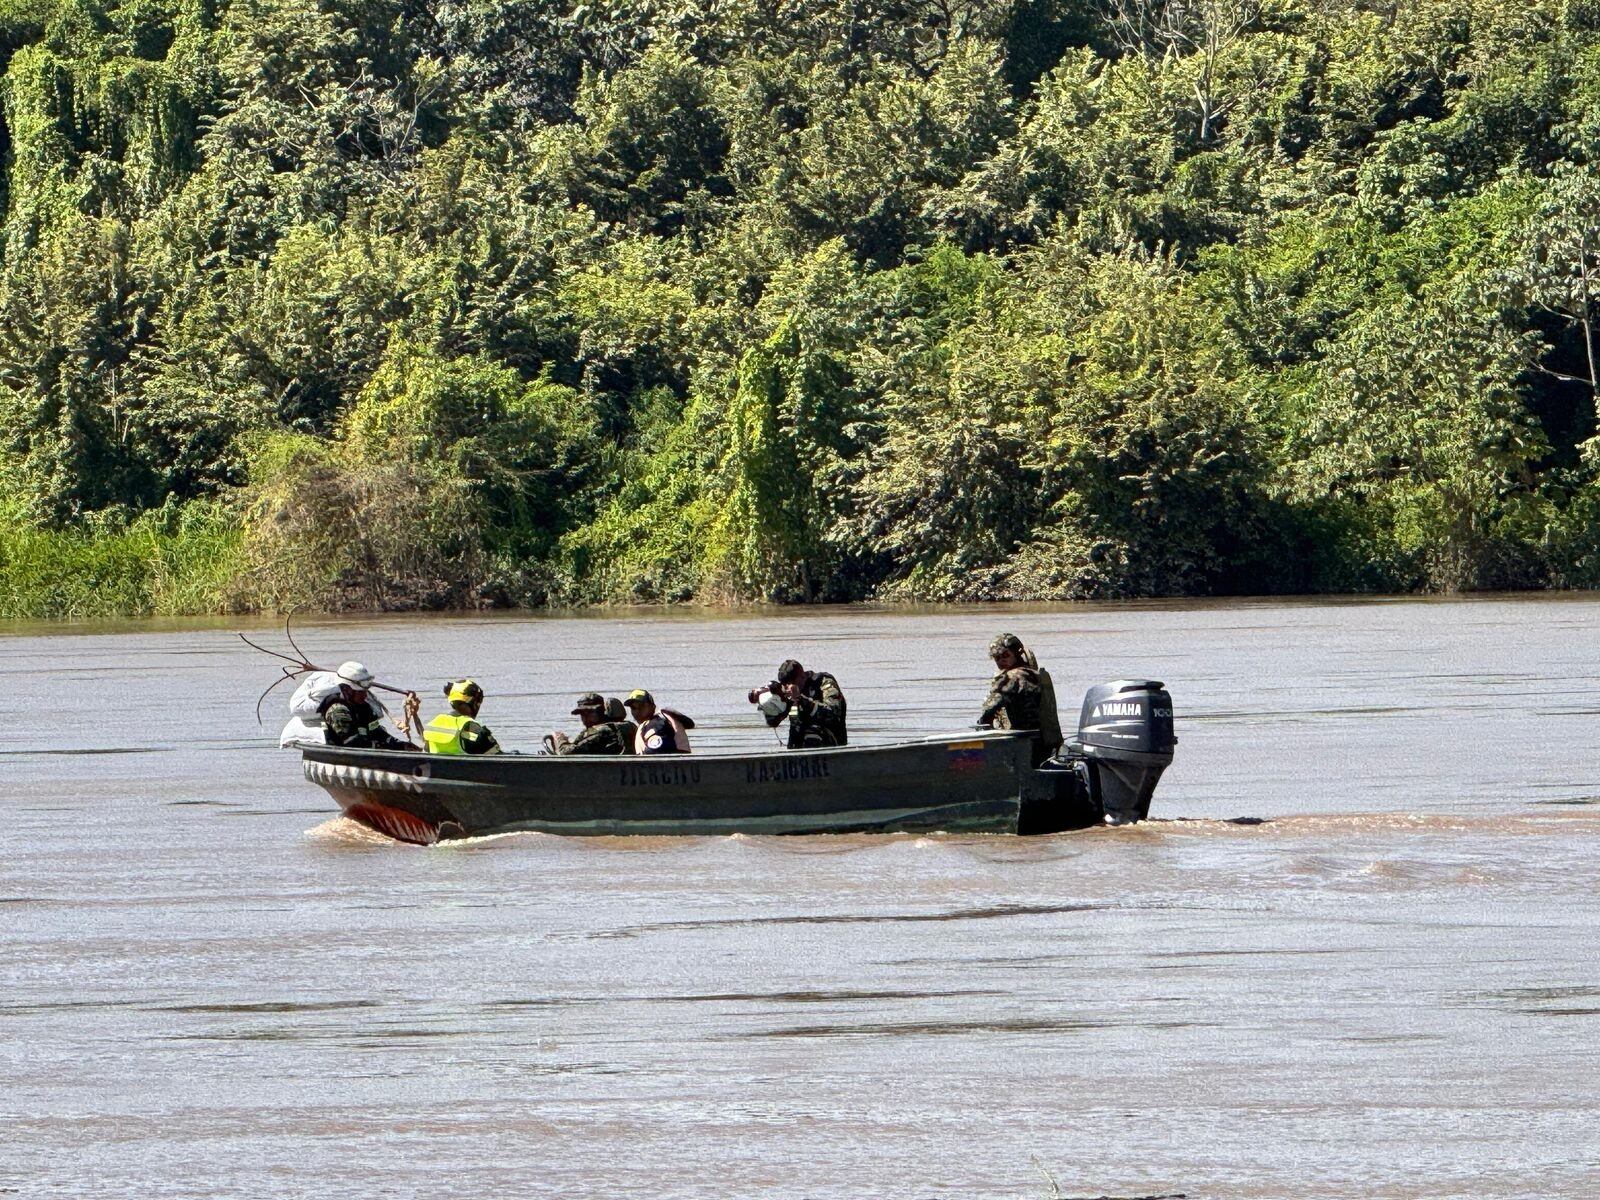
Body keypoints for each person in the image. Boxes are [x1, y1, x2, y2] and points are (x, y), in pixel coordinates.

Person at [977, 634, 1062, 757]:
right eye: (997, 658)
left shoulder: (1013, 676)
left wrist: (984, 725)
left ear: (1017, 654)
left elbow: (989, 709)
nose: (1001, 661)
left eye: (1005, 655)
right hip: (1046, 743)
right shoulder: (1036, 675)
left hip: (1023, 743)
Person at [748, 658, 848, 749]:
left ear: (802, 677)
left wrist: (801, 699)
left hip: (830, 741)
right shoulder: (787, 693)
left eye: (790, 684)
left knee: (811, 733)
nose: (788, 688)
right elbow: (774, 722)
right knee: (797, 734)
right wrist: (769, 701)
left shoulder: (824, 682)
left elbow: (833, 713)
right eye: (785, 685)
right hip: (798, 742)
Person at [319, 661, 417, 750]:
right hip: (346, 755)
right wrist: (383, 747)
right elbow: (351, 743)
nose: (365, 695)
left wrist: (401, 745)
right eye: (360, 692)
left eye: (365, 691)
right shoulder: (337, 710)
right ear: (346, 689)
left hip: (366, 749)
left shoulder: (363, 706)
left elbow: (377, 732)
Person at [423, 679, 502, 755]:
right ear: (473, 702)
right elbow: (498, 759)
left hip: (436, 767)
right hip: (464, 768)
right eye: (478, 701)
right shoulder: (471, 727)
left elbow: (426, 752)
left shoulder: (434, 723)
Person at [548, 692, 630, 756]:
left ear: (601, 712)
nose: (585, 717)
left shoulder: (602, 732)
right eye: (582, 713)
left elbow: (567, 753)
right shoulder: (624, 726)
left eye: (590, 712)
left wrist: (560, 739)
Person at [622, 689, 695, 755]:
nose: (637, 711)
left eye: (641, 706)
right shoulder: (654, 723)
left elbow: (658, 754)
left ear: (652, 706)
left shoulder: (656, 725)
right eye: (633, 708)